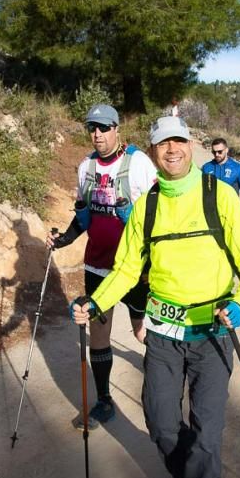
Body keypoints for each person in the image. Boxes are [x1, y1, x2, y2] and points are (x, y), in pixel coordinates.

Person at [69, 115, 240, 478]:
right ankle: (185, 473)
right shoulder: (147, 205)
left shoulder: (221, 196)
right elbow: (125, 269)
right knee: (161, 421)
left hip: (212, 332)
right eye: (163, 143)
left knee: (207, 429)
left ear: (191, 145)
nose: (172, 149)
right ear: (153, 150)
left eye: (179, 140)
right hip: (161, 332)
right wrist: (95, 302)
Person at [46, 103, 157, 429]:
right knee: (99, 334)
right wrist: (64, 239)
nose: (97, 134)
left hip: (134, 269)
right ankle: (104, 400)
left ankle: (160, 372)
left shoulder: (138, 163)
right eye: (92, 128)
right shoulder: (86, 168)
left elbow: (156, 212)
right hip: (97, 267)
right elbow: (83, 216)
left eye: (104, 127)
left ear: (117, 129)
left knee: (141, 330)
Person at [201, 137, 240, 218]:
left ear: (226, 150)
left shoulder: (238, 168)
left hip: (231, 211)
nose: (216, 154)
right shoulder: (206, 168)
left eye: (220, 152)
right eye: (214, 152)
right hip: (212, 212)